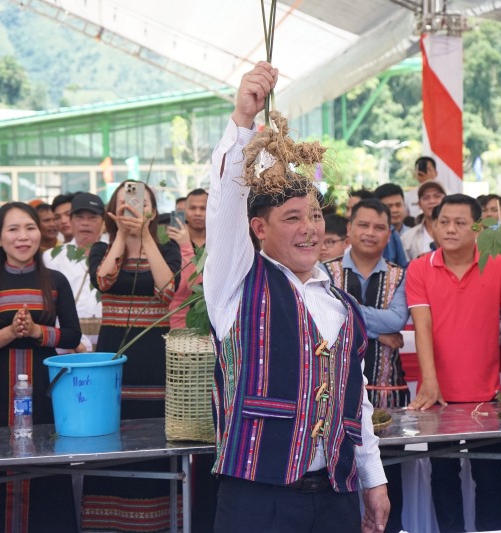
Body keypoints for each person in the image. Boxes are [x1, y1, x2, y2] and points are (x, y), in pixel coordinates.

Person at [204, 60, 388, 533]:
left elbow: (356, 400)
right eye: (292, 217)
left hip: (334, 495)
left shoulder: (342, 306)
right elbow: (225, 207)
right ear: (259, 229)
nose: (309, 228)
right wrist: (243, 121)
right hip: (257, 499)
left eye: (315, 215)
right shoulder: (236, 286)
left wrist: (373, 478)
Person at [407, 194, 501, 533]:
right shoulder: (420, 268)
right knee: (443, 475)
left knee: (490, 478)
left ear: (478, 228)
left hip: (486, 397)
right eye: (444, 222)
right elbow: (422, 328)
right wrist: (430, 381)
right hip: (438, 398)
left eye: (460, 222)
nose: (450, 229)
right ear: (434, 226)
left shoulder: (497, 264)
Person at [0, 202, 81, 532]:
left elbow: (72, 334)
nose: (23, 236)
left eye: (29, 228)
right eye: (13, 230)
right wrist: (7, 333)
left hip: (47, 394)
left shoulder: (56, 281)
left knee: (46, 467)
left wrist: (36, 332)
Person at [81, 180, 181, 532]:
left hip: (154, 353)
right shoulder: (101, 248)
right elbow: (104, 280)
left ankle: (159, 521)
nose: (132, 205)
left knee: (154, 435)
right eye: (124, 200)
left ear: (152, 210)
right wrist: (121, 235)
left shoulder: (167, 248)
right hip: (113, 353)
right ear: (113, 207)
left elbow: (168, 290)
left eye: (139, 200)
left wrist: (146, 237)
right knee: (112, 432)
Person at [322, 198, 409, 533]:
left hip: (389, 398)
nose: (370, 233)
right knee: (336, 481)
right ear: (349, 229)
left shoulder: (402, 275)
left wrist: (348, 312)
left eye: (379, 227)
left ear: (390, 234)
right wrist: (381, 332)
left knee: (389, 482)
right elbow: (323, 321)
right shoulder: (323, 272)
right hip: (332, 402)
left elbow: (397, 318)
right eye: (363, 225)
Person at [43, 192, 105, 352]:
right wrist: (71, 341)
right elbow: (49, 305)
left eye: (92, 218)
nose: (85, 223)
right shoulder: (52, 257)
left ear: (103, 222)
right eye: (79, 217)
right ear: (71, 221)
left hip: (109, 339)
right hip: (68, 345)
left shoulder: (115, 253)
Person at [167, 188, 209, 330]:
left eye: (203, 208)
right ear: (184, 210)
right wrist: (184, 244)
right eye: (192, 208)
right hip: (177, 325)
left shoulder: (217, 244)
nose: (198, 213)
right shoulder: (172, 245)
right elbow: (191, 285)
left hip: (211, 324)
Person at [400, 180, 445, 261]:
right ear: (419, 204)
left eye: (437, 196)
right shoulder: (407, 237)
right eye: (426, 197)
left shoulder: (457, 232)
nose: (432, 201)